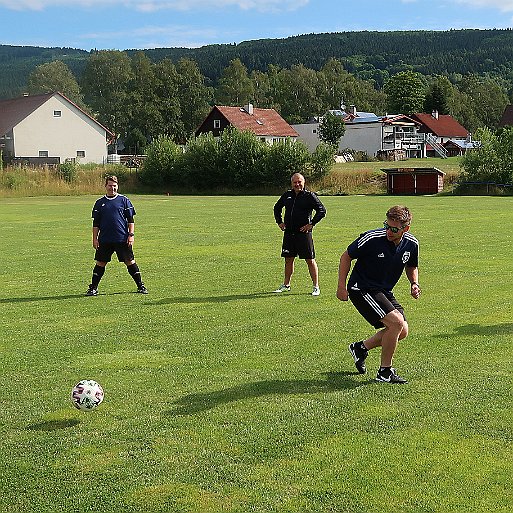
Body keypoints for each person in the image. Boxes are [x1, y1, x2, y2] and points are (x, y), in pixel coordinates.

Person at [336, 205, 421, 384]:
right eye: (387, 226)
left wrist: (414, 283)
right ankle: (385, 372)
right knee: (396, 323)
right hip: (362, 288)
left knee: (402, 331)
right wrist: (341, 287)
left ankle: (360, 348)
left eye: (394, 229)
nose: (389, 231)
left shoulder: (412, 244)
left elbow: (411, 265)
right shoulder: (372, 238)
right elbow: (346, 256)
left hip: (383, 291)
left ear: (406, 229)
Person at [86, 175, 148, 296]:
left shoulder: (124, 200)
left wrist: (131, 235)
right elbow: (96, 223)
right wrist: (94, 239)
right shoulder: (99, 203)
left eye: (114, 186)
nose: (112, 188)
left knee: (130, 261)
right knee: (100, 263)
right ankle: (93, 288)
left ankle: (141, 286)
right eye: (110, 185)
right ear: (105, 186)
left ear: (117, 186)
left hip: (122, 239)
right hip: (105, 239)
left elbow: (131, 220)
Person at [273, 172, 326, 296]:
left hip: (303, 233)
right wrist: (279, 222)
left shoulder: (309, 196)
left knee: (310, 260)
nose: (297, 184)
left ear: (304, 182)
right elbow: (277, 207)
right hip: (289, 233)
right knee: (288, 259)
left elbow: (322, 210)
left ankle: (316, 287)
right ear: (291, 183)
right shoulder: (287, 195)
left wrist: (311, 224)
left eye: (299, 182)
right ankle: (286, 285)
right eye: (294, 182)